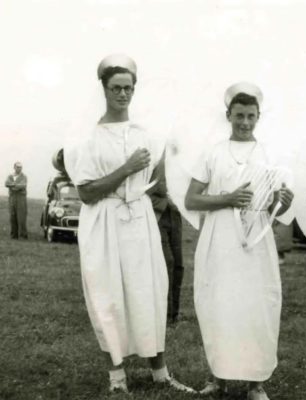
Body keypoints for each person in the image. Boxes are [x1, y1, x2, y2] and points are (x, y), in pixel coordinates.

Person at [63, 54, 194, 394]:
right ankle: (117, 377)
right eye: (116, 88)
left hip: (138, 219)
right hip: (103, 221)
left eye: (128, 88)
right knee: (107, 292)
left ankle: (160, 371)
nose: (123, 94)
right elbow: (87, 192)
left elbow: (160, 169)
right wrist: (126, 168)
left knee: (149, 289)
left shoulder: (143, 133)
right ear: (104, 90)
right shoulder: (87, 138)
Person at [184, 82, 294, 400]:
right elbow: (192, 199)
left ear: (259, 117)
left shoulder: (268, 153)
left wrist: (284, 200)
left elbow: (279, 206)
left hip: (256, 239)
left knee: (256, 305)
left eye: (251, 116)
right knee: (219, 304)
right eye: (239, 116)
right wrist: (228, 198)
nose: (245, 122)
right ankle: (217, 376)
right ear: (228, 115)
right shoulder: (213, 152)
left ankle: (255, 382)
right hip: (220, 237)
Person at [147, 152, 185, 324]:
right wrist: (167, 200)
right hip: (157, 216)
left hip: (174, 215)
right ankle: (165, 315)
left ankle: (174, 314)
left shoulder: (184, 164)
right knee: (166, 263)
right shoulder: (155, 161)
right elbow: (145, 191)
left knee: (178, 264)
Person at [5, 161, 28, 239]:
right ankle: (14, 235)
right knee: (12, 216)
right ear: (14, 167)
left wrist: (12, 186)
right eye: (18, 167)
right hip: (12, 198)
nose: (19, 169)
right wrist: (15, 185)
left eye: (20, 167)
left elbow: (23, 185)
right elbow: (6, 183)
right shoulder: (10, 176)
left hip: (21, 198)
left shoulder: (24, 176)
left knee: (21, 217)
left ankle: (23, 235)